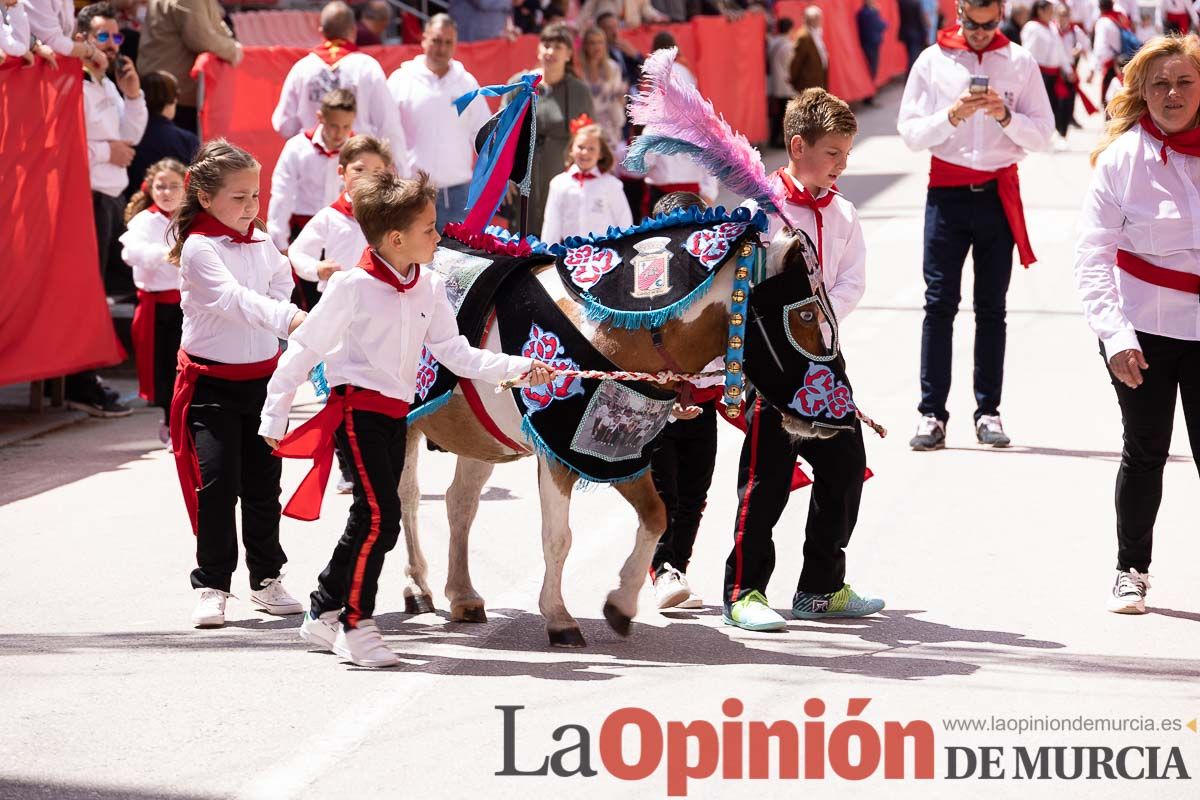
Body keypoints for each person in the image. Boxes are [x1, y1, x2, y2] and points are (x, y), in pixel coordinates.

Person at [259, 171, 554, 667]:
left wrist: (519, 369)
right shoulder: (351, 286)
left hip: (397, 413)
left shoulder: (431, 288)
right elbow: (304, 348)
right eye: (429, 228)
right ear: (396, 239)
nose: (439, 236)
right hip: (356, 409)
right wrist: (275, 413)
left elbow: (455, 354)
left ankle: (323, 608)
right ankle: (356, 623)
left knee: (374, 518)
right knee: (379, 517)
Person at [723, 88, 879, 631]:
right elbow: (739, 284)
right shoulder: (759, 209)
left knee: (844, 470)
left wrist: (814, 320)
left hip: (824, 361)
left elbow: (852, 280)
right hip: (772, 364)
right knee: (765, 478)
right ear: (797, 145)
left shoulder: (844, 213)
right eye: (833, 152)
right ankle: (744, 590)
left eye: (846, 153)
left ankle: (821, 586)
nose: (842, 164)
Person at [1074, 34, 1200, 614]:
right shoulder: (1121, 160)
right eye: (1160, 84)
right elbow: (1093, 257)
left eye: (1184, 82)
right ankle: (1131, 570)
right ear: (1142, 92)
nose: (1173, 94)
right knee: (1145, 451)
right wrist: (1115, 336)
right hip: (1142, 330)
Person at [898, 0, 1054, 451]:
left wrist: (1006, 116)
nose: (982, 33)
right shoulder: (932, 60)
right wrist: (952, 115)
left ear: (1001, 14)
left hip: (995, 196)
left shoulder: (1019, 61)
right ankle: (932, 414)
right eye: (973, 23)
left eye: (990, 24)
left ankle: (989, 410)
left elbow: (1042, 133)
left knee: (992, 308)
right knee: (939, 304)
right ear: (960, 11)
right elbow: (909, 132)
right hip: (946, 195)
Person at [167, 139, 307, 629]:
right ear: (206, 198)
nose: (251, 207)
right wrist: (290, 321)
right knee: (218, 484)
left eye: (255, 196)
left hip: (263, 383)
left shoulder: (262, 240)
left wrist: (282, 316)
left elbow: (281, 282)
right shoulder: (199, 249)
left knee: (265, 486)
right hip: (212, 388)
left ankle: (267, 579)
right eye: (239, 197)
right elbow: (233, 300)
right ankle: (211, 584)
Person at [647, 190, 723, 611]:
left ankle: (678, 565)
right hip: (658, 406)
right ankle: (662, 568)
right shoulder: (648, 285)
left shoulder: (716, 281)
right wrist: (669, 398)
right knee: (665, 494)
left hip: (705, 401)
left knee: (695, 493)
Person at [271, 1, 408, 166]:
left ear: (321, 31)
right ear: (353, 30)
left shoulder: (302, 68)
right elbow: (388, 124)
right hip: (358, 165)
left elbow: (284, 124)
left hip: (312, 163)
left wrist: (308, 141)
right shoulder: (366, 66)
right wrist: (400, 170)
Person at [388, 14, 491, 229]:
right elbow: (386, 132)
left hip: (459, 193)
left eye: (448, 42)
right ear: (424, 39)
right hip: (412, 192)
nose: (441, 48)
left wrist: (495, 174)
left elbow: (483, 134)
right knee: (415, 261)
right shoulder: (400, 81)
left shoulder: (467, 83)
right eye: (436, 40)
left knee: (463, 260)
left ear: (455, 44)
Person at [268, 88, 356, 309]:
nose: (340, 133)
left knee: (344, 293)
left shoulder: (358, 150)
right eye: (334, 125)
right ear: (320, 118)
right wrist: (280, 241)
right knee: (308, 298)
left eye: (346, 126)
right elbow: (282, 193)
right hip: (304, 230)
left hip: (345, 231)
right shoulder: (297, 147)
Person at [505, 23, 595, 237]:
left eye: (557, 46)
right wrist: (504, 175)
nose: (550, 51)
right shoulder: (519, 84)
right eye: (546, 45)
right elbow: (503, 134)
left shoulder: (579, 91)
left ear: (569, 54)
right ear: (538, 50)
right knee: (523, 236)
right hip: (523, 177)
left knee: (559, 237)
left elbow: (589, 136)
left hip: (562, 175)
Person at [120, 158, 186, 442]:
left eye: (174, 186)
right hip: (155, 307)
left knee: (185, 365)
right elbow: (129, 252)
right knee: (161, 368)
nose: (167, 192)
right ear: (150, 188)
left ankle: (184, 421)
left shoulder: (191, 219)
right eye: (161, 186)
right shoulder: (143, 220)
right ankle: (169, 422)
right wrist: (164, 255)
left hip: (186, 305)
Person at [638, 31, 719, 211]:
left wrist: (708, 193)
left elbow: (710, 164)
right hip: (660, 193)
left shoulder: (698, 130)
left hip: (692, 196)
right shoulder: (654, 128)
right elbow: (644, 165)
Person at [138, 0, 243, 134]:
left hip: (166, 90)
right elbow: (201, 38)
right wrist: (234, 50)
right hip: (172, 95)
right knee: (180, 149)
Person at [540, 116, 633, 243]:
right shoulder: (559, 184)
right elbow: (551, 223)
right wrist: (548, 257)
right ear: (571, 149)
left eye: (591, 148)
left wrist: (623, 255)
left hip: (603, 255)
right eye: (580, 147)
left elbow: (624, 223)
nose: (585, 153)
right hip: (570, 255)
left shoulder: (612, 184)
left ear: (600, 153)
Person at [127, 70, 200, 194]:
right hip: (174, 207)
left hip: (131, 205)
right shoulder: (187, 140)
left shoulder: (127, 134)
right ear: (174, 99)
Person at [1024, 0, 1076, 142]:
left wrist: (1068, 69)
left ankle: (1052, 133)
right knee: (1040, 106)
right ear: (1040, 11)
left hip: (1054, 74)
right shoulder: (1032, 27)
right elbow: (1028, 52)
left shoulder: (1052, 27)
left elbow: (1060, 50)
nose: (1052, 13)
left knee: (1055, 104)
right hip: (1040, 73)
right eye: (1049, 10)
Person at [578, 25, 629, 155]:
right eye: (592, 43)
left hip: (609, 130)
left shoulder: (613, 68)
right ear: (585, 46)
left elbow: (619, 100)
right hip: (585, 130)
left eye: (600, 42)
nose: (597, 47)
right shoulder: (578, 71)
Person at [25, 0, 109, 72]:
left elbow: (66, 31)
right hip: (26, 72)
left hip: (47, 73)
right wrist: (92, 52)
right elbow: (54, 43)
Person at [1095, 0, 1134, 100]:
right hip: (1124, 58)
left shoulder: (1103, 22)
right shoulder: (1120, 15)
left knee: (1109, 96)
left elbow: (1100, 48)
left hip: (1111, 63)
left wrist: (1097, 66)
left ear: (1100, 8)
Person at [768, 18, 797, 145]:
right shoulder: (789, 46)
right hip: (786, 85)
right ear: (790, 29)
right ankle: (781, 140)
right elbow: (790, 66)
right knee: (785, 115)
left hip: (773, 82)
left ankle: (775, 137)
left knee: (777, 113)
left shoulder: (773, 42)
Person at [790, 5, 828, 93]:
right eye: (815, 19)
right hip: (807, 82)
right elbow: (796, 61)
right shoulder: (803, 36)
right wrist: (794, 81)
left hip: (818, 79)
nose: (818, 21)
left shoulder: (816, 33)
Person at [857, 0, 889, 105]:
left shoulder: (861, 12)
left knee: (870, 69)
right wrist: (877, 12)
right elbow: (881, 25)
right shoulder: (870, 13)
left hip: (867, 43)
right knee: (872, 70)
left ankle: (869, 95)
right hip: (871, 43)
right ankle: (869, 97)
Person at [899, 0, 931, 69]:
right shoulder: (916, 3)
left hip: (906, 33)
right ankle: (912, 74)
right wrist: (925, 34)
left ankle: (909, 74)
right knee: (914, 57)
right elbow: (920, 21)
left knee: (910, 55)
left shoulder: (902, 2)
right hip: (916, 35)